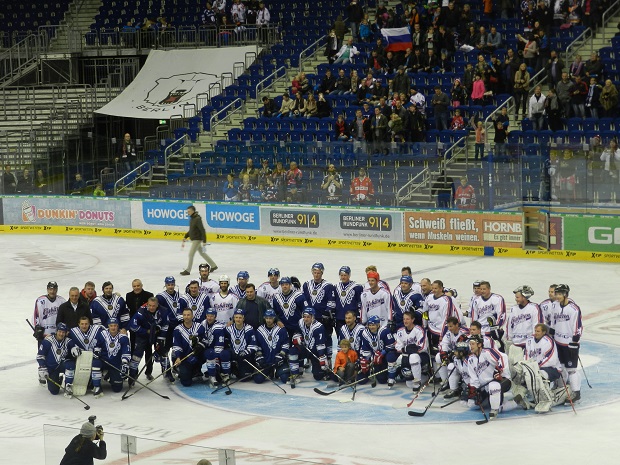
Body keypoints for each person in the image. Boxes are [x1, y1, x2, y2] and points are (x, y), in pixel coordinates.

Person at [129, 296, 175, 384]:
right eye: (150, 305)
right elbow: (133, 326)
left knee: (163, 352)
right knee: (137, 355)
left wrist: (161, 338)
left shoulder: (164, 311)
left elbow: (166, 325)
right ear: (147, 304)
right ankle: (132, 375)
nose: (151, 307)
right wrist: (146, 331)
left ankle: (168, 373)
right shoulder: (140, 312)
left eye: (153, 306)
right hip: (143, 335)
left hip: (157, 334)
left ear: (157, 305)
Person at [467, 334, 513, 419]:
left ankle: (495, 409)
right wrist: (474, 389)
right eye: (470, 344)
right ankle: (495, 402)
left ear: (479, 344)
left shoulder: (488, 352)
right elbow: (474, 378)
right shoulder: (470, 360)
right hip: (486, 386)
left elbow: (503, 357)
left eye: (473, 344)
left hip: (502, 380)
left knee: (493, 386)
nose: (471, 346)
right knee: (471, 404)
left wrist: (499, 369)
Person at [550, 284, 583, 403]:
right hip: (558, 342)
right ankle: (562, 390)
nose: (557, 296)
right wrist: (552, 334)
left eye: (559, 294)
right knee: (561, 367)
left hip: (569, 344)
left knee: (571, 369)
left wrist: (575, 342)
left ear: (565, 294)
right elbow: (553, 323)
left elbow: (578, 326)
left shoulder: (574, 308)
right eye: (556, 294)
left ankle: (576, 392)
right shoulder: (555, 306)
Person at [302, 263, 336, 363]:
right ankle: (309, 358)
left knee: (326, 338)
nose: (316, 275)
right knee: (309, 337)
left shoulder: (328, 286)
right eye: (315, 272)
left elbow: (331, 302)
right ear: (312, 272)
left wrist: (326, 314)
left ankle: (328, 358)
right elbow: (304, 300)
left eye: (318, 273)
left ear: (322, 273)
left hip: (322, 318)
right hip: (309, 318)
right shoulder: (306, 284)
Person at [65, 316, 104, 397]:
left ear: (89, 324)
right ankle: (68, 385)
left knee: (96, 364)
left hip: (93, 358)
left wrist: (98, 349)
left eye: (86, 324)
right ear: (78, 324)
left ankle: (97, 386)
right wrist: (73, 348)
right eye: (82, 324)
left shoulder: (97, 330)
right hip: (80, 359)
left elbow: (104, 338)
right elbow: (67, 341)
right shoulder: (73, 332)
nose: (84, 326)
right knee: (70, 364)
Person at [288, 308, 329, 383]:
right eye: (304, 316)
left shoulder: (318, 327)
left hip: (315, 352)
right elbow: (297, 332)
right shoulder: (301, 322)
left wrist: (322, 357)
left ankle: (325, 373)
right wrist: (297, 337)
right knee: (293, 351)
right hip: (305, 349)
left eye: (308, 317)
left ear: (312, 317)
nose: (306, 319)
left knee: (318, 376)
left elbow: (320, 345)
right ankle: (295, 373)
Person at [391, 311, 429, 390]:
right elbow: (398, 346)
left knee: (413, 357)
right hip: (406, 355)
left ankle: (417, 381)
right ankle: (396, 377)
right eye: (404, 319)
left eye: (407, 319)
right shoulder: (400, 331)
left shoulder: (419, 330)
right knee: (409, 384)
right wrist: (406, 349)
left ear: (413, 320)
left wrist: (408, 349)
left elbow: (422, 347)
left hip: (422, 356)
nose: (405, 321)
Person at [254, 309, 290, 384]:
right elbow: (257, 345)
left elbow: (286, 344)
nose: (268, 320)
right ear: (264, 318)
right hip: (266, 361)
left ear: (274, 318)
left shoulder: (281, 329)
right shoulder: (259, 330)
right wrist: (260, 356)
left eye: (270, 318)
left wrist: (281, 355)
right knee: (258, 379)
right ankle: (270, 372)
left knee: (285, 378)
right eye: (267, 318)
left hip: (278, 360)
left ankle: (277, 372)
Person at [95, 317, 131, 393]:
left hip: (116, 364)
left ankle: (110, 375)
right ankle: (97, 382)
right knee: (95, 364)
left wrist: (124, 363)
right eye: (111, 325)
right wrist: (97, 352)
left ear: (118, 326)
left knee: (117, 389)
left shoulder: (123, 337)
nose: (113, 327)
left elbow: (126, 351)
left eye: (115, 325)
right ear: (108, 326)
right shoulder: (102, 334)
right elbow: (97, 345)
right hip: (104, 361)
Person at [359, 315, 396, 385]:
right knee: (381, 380)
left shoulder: (385, 331)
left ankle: (395, 372)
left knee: (390, 357)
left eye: (373, 325)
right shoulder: (365, 333)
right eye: (370, 325)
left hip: (385, 357)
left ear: (378, 325)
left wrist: (382, 353)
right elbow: (365, 348)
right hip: (375, 359)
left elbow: (392, 345)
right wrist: (365, 360)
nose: (371, 327)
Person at [171, 308, 204, 386]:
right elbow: (177, 345)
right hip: (184, 357)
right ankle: (180, 370)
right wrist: (178, 357)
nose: (186, 317)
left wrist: (200, 346)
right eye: (184, 315)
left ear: (192, 316)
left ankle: (197, 369)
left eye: (188, 315)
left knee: (207, 354)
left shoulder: (199, 327)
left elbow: (205, 340)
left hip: (196, 355)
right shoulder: (178, 329)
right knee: (186, 383)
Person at [181, 205, 217, 276]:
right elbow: (192, 230)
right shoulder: (192, 219)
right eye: (187, 211)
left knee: (191, 254)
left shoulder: (197, 219)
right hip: (195, 239)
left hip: (197, 240)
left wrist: (204, 241)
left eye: (189, 211)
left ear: (193, 211)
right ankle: (213, 265)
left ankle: (188, 270)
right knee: (202, 253)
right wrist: (186, 236)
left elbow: (202, 230)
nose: (188, 213)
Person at [224, 308, 259, 379]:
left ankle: (238, 368)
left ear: (243, 318)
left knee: (244, 378)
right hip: (233, 354)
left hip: (244, 356)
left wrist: (245, 352)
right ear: (234, 318)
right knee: (224, 354)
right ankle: (228, 370)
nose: (238, 319)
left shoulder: (249, 329)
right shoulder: (228, 329)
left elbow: (254, 346)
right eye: (236, 317)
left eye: (240, 317)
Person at [36, 322, 69, 392]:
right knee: (54, 391)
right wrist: (42, 366)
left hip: (62, 365)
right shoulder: (48, 341)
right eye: (59, 331)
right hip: (52, 368)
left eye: (63, 332)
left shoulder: (68, 341)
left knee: (71, 365)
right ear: (56, 331)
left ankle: (69, 384)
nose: (61, 334)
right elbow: (40, 356)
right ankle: (58, 379)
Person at [334, 266, 363, 333]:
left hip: (352, 319)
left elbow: (360, 303)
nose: (343, 277)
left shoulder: (357, 287)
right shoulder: (335, 287)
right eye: (341, 275)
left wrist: (358, 316)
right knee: (341, 341)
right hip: (339, 318)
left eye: (345, 275)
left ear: (349, 275)